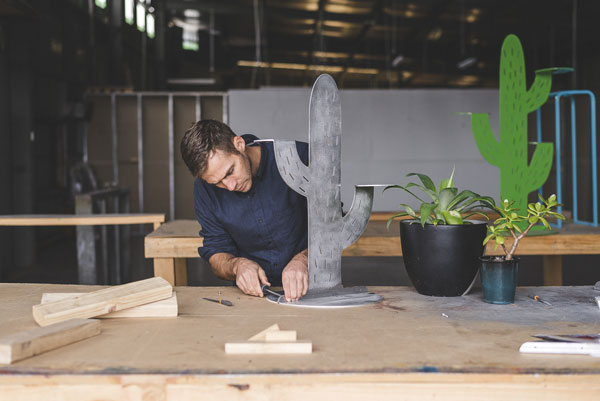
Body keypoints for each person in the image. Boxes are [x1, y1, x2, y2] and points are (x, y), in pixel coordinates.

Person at [180, 119, 309, 301]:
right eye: (218, 183)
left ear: (239, 144)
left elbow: (333, 225)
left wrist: (305, 260)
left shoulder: (298, 158)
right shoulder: (204, 190)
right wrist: (236, 266)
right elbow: (216, 250)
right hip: (252, 297)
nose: (230, 186)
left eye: (230, 172)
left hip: (313, 289)